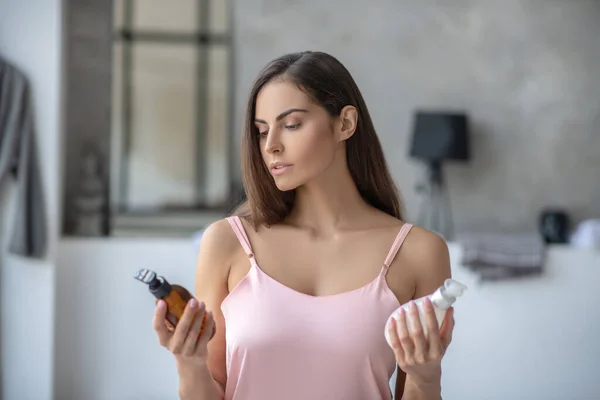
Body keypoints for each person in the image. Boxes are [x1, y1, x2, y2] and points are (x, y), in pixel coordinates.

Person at [153, 51, 455, 400]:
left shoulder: (420, 253)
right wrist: (188, 363)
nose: (271, 146)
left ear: (345, 123)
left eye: (292, 124)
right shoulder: (227, 242)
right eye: (261, 131)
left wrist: (425, 376)